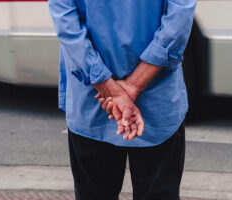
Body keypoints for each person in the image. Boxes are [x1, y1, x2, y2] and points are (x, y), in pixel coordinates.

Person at [48, 0, 197, 199]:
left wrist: (107, 85)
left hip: (92, 103)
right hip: (156, 97)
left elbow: (67, 24)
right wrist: (133, 85)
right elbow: (179, 18)